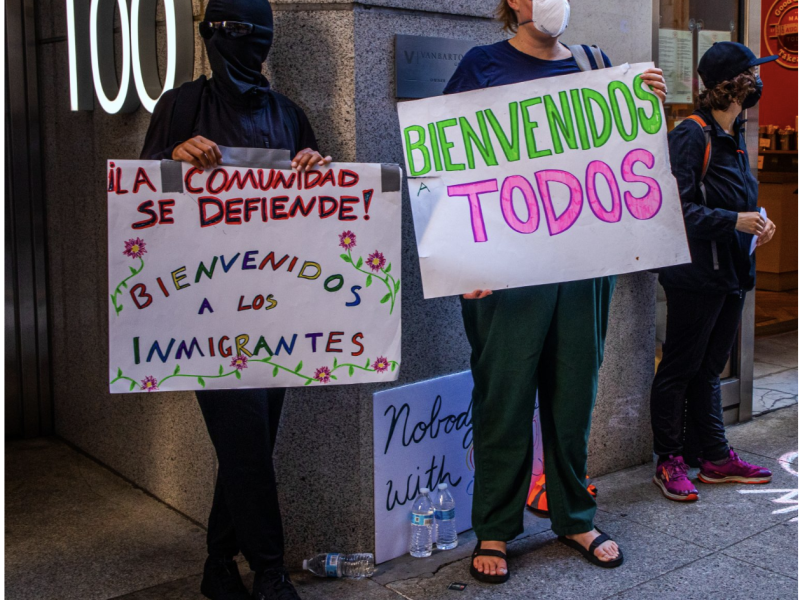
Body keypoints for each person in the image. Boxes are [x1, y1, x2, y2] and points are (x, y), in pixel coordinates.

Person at [443, 0, 667, 583]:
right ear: (512, 1)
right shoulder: (480, 65)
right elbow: (444, 169)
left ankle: (573, 514)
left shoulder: (596, 65)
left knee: (574, 393)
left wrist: (643, 105)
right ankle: (495, 525)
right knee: (504, 396)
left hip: (581, 264)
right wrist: (461, 263)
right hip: (507, 269)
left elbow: (621, 160)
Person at [140, 1, 330, 598]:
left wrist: (315, 168)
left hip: (276, 305)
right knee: (245, 435)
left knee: (250, 439)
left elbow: (320, 210)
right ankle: (270, 572)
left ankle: (218, 563)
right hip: (203, 308)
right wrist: (171, 159)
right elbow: (134, 195)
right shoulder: (180, 106)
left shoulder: (288, 114)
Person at [650, 41, 777, 503]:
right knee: (679, 370)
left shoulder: (735, 134)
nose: (760, 81)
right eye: (754, 74)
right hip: (695, 277)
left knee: (707, 370)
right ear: (732, 84)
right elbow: (672, 209)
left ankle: (715, 457)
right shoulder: (692, 134)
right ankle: (669, 460)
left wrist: (758, 221)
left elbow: (736, 200)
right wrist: (732, 222)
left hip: (732, 274)